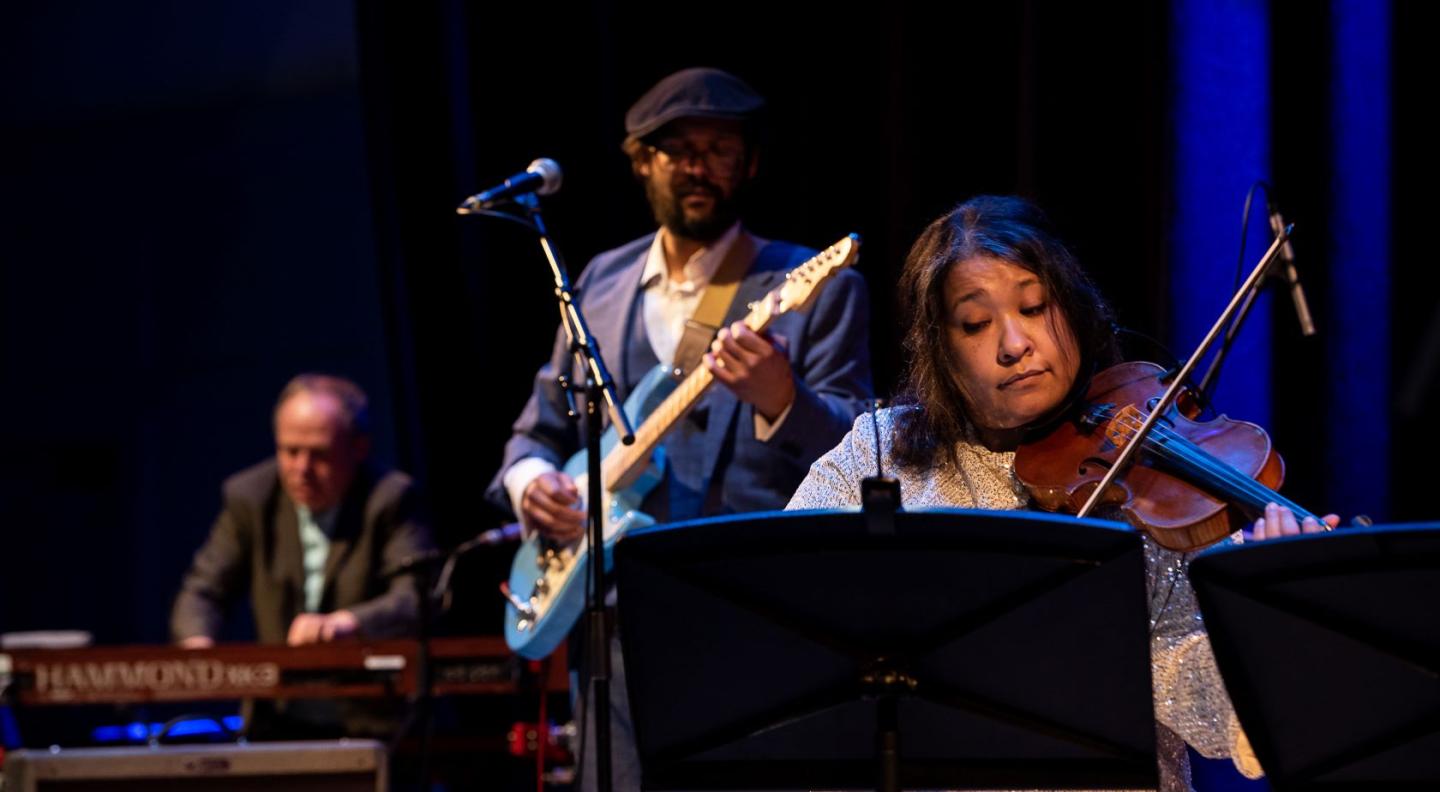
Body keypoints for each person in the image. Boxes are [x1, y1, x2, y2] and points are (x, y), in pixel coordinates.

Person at [786, 195, 1338, 791]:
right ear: (940, 349)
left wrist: (1278, 629)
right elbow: (782, 593)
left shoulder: (1145, 485)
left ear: (1073, 310)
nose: (1014, 344)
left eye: (1034, 307)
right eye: (975, 323)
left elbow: (1214, 705)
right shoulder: (879, 452)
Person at [486, 67, 872, 789]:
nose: (697, 165)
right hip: (612, 624)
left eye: (718, 147)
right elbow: (534, 434)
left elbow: (866, 450)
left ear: (749, 163)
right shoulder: (596, 285)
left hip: (757, 616)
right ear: (641, 164)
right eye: (676, 149)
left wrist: (783, 399)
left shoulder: (813, 287)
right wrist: (534, 483)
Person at [171, 373, 435, 736]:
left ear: (358, 448)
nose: (302, 469)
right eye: (290, 451)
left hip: (371, 719)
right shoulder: (250, 497)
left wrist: (347, 624)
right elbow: (203, 590)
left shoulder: (390, 498)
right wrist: (198, 646)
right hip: (277, 717)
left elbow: (416, 598)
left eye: (320, 454)